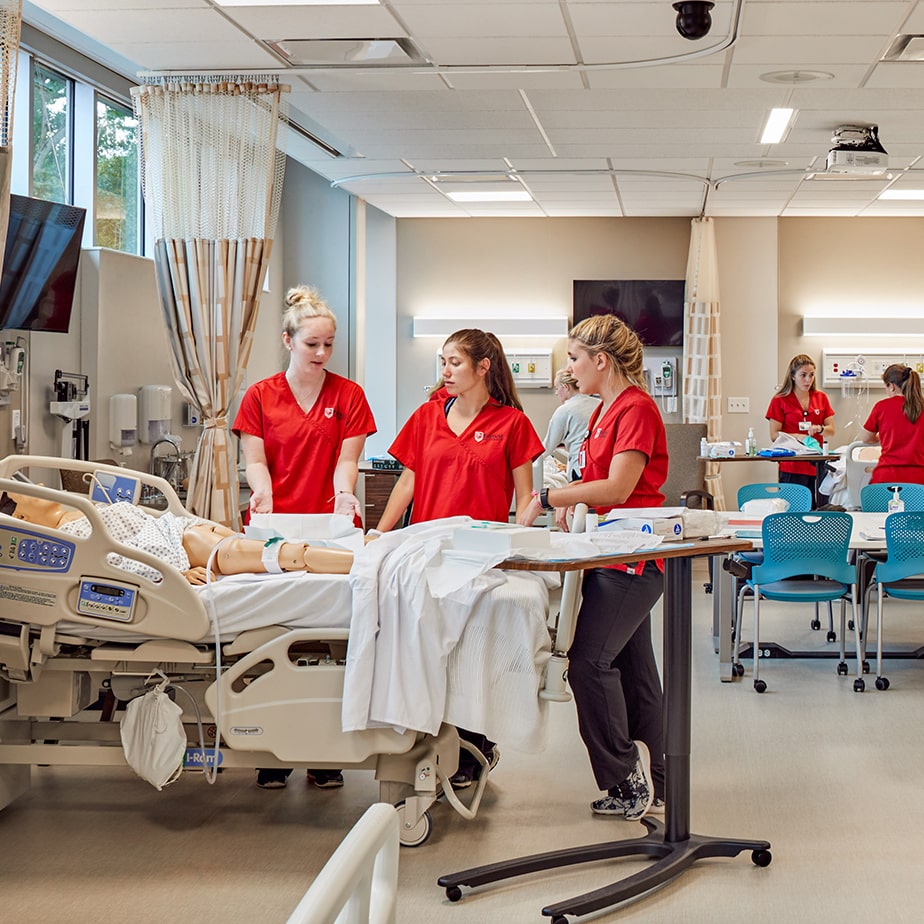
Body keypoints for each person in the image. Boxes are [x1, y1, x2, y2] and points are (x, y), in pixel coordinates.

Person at [376, 328, 544, 788]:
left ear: (482, 367)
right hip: (425, 552)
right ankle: (427, 739)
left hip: (478, 557)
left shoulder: (512, 424)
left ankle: (475, 746)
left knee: (472, 655)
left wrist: (519, 545)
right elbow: (407, 483)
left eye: (453, 362)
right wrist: (380, 532)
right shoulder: (427, 416)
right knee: (429, 650)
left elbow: (526, 497)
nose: (444, 371)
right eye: (443, 362)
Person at [517, 314, 667, 821]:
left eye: (576, 359)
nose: (571, 369)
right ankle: (668, 778)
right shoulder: (605, 410)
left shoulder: (636, 409)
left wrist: (548, 496)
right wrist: (572, 499)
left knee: (588, 663)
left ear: (601, 361)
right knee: (634, 669)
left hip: (632, 559)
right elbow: (596, 480)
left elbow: (619, 489)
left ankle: (626, 779)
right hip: (609, 551)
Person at [234, 284, 376, 790]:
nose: (321, 354)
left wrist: (344, 495)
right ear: (288, 340)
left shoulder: (349, 396)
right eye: (312, 344)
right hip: (277, 525)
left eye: (329, 345)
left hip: (330, 526)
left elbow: (347, 460)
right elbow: (255, 460)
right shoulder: (260, 396)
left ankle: (323, 752)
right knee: (270, 637)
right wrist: (262, 496)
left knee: (331, 641)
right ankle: (271, 749)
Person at [0, 491, 355, 584]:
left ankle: (370, 548)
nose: (41, 486)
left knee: (303, 546)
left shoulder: (81, 511)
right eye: (28, 494)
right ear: (22, 518)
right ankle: (365, 563)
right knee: (294, 554)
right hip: (190, 547)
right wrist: (173, 573)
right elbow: (117, 562)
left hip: (191, 530)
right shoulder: (71, 537)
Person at [765, 353, 835, 506]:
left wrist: (820, 429)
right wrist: (798, 436)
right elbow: (774, 435)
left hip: (817, 465)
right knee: (793, 512)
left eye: (811, 375)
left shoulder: (821, 398)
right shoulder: (780, 400)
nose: (808, 380)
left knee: (819, 511)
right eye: (803, 375)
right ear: (792, 376)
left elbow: (831, 430)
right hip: (792, 466)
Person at [861, 363, 924, 485]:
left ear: (892, 386)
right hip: (919, 481)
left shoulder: (882, 407)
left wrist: (883, 437)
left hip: (887, 478)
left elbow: (866, 438)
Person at [543, 368, 601, 481]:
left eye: (557, 388)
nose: (556, 393)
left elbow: (546, 448)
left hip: (580, 471)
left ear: (566, 387)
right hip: (601, 470)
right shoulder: (600, 404)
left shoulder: (564, 411)